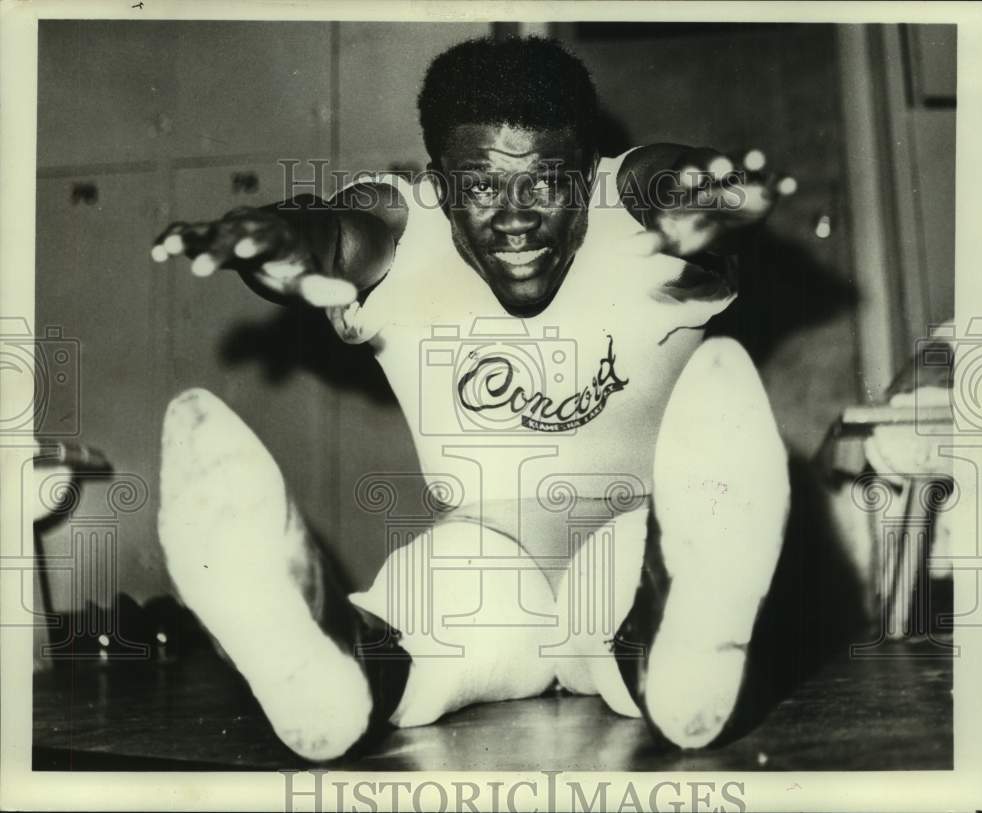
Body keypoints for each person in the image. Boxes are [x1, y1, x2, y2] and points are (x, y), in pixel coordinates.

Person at [151, 36, 794, 761]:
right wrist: (282, 243)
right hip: (488, 576)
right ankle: (329, 665)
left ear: (588, 177)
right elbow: (339, 237)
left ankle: (682, 633)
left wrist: (704, 193)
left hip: (628, 560)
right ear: (440, 186)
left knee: (626, 580)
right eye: (482, 186)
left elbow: (663, 175)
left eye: (545, 183)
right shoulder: (404, 223)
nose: (514, 220)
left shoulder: (634, 206)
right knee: (440, 595)